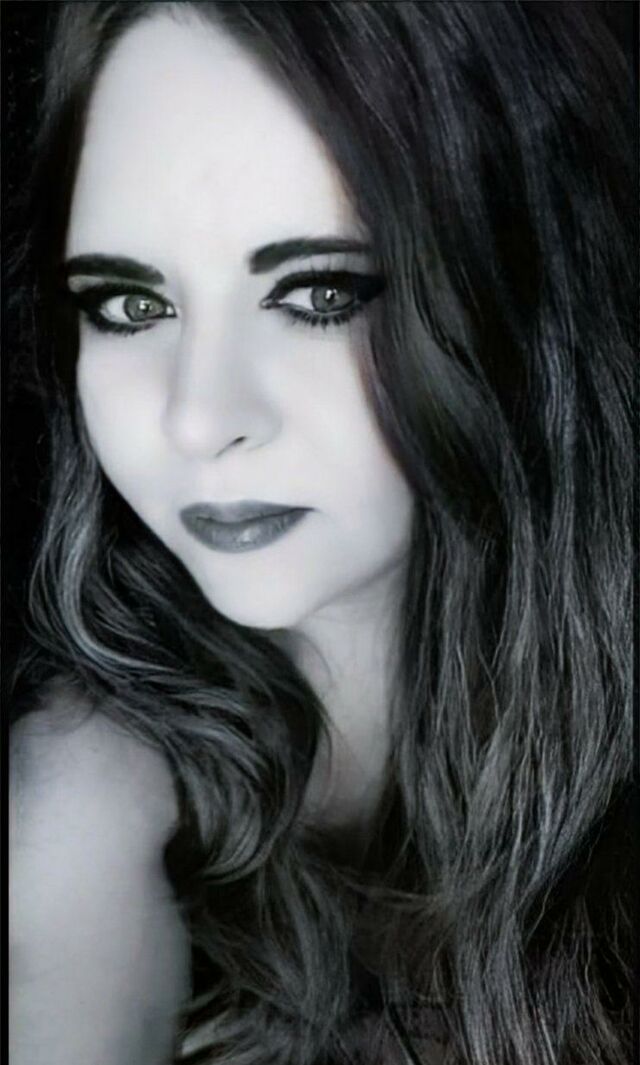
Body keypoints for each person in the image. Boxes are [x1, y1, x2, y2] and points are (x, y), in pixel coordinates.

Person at [7, 3, 634, 1064]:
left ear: (522, 288)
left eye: (319, 292)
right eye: (129, 305)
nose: (199, 418)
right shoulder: (77, 822)